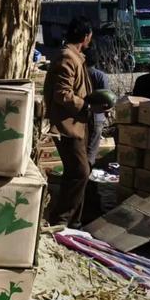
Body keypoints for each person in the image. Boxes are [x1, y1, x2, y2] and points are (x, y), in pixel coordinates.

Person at [43, 17, 109, 228]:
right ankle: (60, 220)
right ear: (86, 36)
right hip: (67, 126)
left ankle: (74, 222)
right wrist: (86, 106)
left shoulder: (75, 57)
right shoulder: (67, 58)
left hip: (78, 125)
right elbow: (62, 94)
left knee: (79, 172)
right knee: (80, 171)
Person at [84, 47, 109, 167]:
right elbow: (107, 99)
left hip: (79, 116)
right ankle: (88, 181)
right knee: (91, 151)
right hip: (96, 117)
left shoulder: (79, 74)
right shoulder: (100, 76)